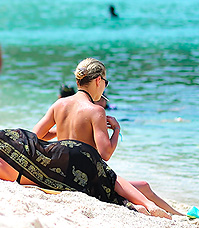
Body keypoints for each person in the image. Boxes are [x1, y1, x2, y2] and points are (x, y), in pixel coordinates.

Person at [30, 58, 176, 217]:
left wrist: (60, 129)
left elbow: (35, 135)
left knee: (140, 186)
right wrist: (116, 129)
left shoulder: (59, 104)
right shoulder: (96, 111)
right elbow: (105, 154)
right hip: (87, 179)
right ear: (98, 80)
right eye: (106, 83)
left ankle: (177, 213)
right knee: (143, 186)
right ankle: (177, 214)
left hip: (62, 175)